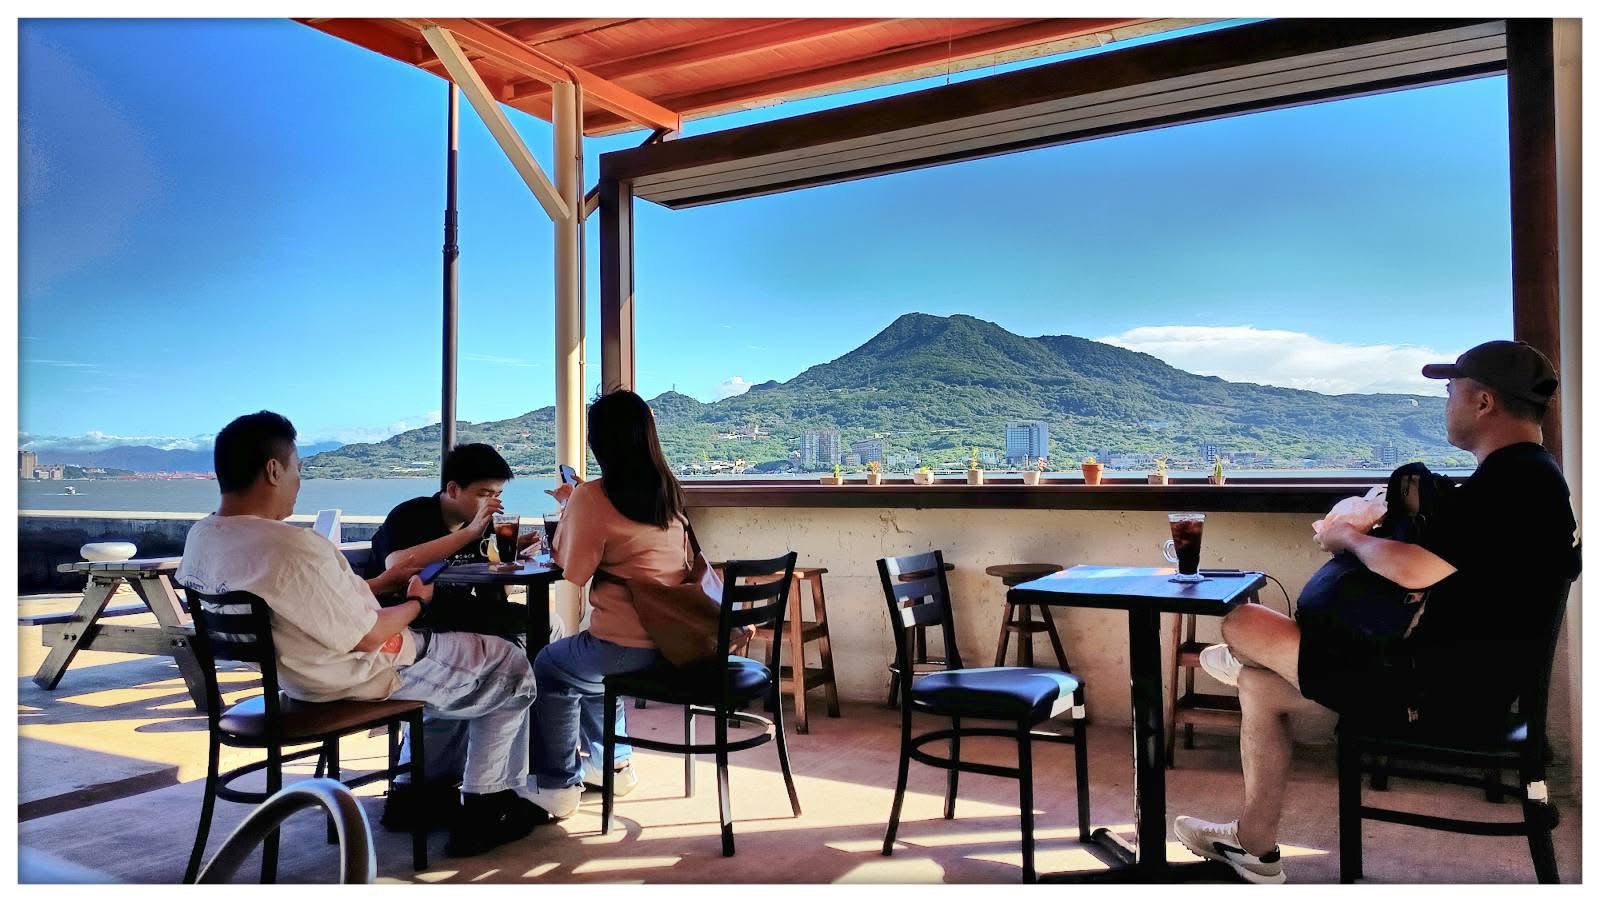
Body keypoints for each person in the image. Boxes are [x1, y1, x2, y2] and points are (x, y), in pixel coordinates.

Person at [1173, 341, 1579, 883]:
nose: (1446, 403)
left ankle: (1242, 655)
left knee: (1242, 622)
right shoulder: (1530, 477)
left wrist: (1347, 537)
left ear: (1483, 402)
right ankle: (1255, 848)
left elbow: (1415, 570)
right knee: (1258, 686)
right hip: (1458, 683)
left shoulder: (1514, 482)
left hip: (1432, 695)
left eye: (1451, 391)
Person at [175, 412, 546, 857]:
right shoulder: (295, 546)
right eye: (298, 468)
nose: (299, 481)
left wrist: (380, 587)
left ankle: (418, 792)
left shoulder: (202, 537)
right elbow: (370, 637)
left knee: (462, 677)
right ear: (274, 470)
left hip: (293, 680)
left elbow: (310, 606)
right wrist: (418, 603)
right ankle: (487, 804)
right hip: (355, 674)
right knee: (509, 666)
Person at [366, 442, 553, 831]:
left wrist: (512, 555)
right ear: (452, 489)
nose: (492, 503)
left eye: (498, 495)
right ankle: (483, 790)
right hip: (408, 632)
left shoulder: (485, 528)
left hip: (456, 624)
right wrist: (469, 532)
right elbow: (397, 565)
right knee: (512, 662)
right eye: (484, 494)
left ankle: (461, 778)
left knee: (538, 631)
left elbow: (491, 595)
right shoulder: (412, 515)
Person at [526, 390, 696, 817]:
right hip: (672, 644)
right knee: (584, 658)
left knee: (551, 663)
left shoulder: (595, 497)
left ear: (599, 443)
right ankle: (614, 765)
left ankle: (557, 783)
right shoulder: (668, 493)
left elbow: (572, 570)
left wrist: (571, 507)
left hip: (626, 648)